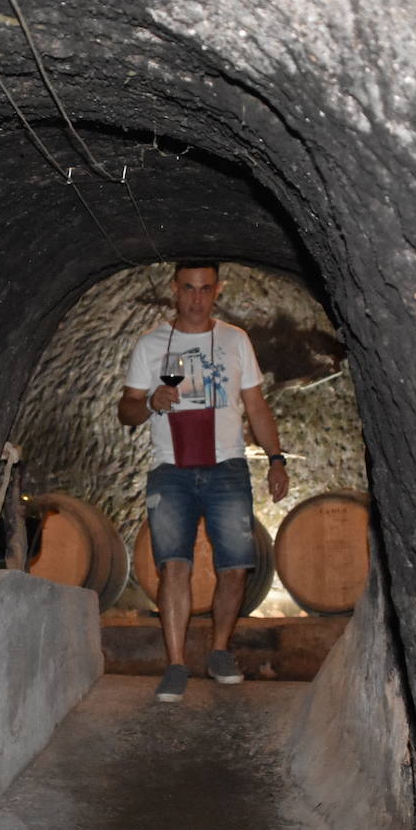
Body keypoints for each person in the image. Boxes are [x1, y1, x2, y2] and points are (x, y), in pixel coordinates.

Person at [118, 261, 289, 702]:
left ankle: (219, 651)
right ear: (175, 289)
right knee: (173, 565)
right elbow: (126, 411)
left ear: (218, 291)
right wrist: (151, 402)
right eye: (189, 288)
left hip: (227, 466)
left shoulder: (235, 340)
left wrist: (276, 459)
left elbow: (256, 404)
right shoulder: (151, 344)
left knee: (235, 566)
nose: (197, 298)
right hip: (170, 469)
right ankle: (176, 665)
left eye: (205, 289)